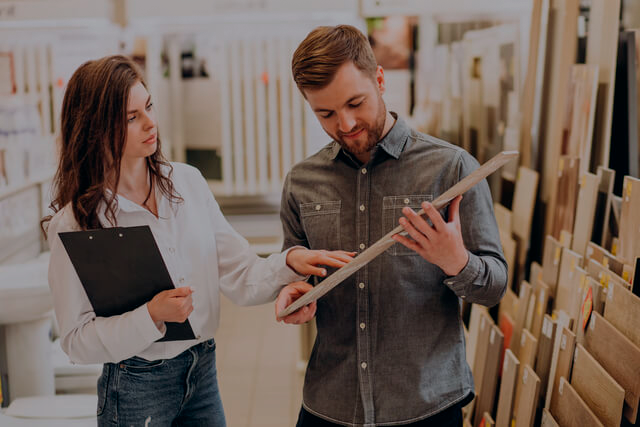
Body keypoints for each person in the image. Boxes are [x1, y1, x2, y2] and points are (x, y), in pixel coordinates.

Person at [42, 55, 352, 427]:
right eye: (131, 117)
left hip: (201, 370)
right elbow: (75, 341)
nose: (150, 122)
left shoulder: (187, 184)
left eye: (149, 106)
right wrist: (151, 316)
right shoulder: (76, 225)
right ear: (95, 128)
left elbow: (239, 273)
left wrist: (288, 262)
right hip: (136, 385)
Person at [275, 25, 508, 426]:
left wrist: (456, 261)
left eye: (356, 102)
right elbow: (296, 272)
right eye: (325, 113)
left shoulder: (451, 170)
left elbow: (494, 287)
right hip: (331, 404)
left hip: (425, 405)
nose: (345, 124)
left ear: (380, 79)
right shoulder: (301, 181)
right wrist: (294, 293)